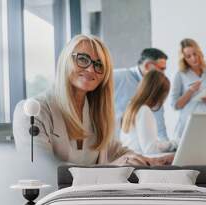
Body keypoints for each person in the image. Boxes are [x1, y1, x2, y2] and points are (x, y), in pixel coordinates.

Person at [13, 34, 173, 166]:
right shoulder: (32, 112)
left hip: (95, 200)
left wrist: (149, 161)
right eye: (82, 59)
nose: (91, 69)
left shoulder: (94, 111)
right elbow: (42, 171)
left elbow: (116, 150)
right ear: (65, 60)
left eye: (99, 65)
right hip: (57, 203)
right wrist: (112, 168)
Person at [114, 48, 169, 140]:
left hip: (140, 149)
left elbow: (160, 125)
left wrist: (171, 148)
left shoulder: (156, 88)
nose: (163, 74)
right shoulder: (117, 77)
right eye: (161, 69)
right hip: (112, 144)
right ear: (148, 66)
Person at [171, 38, 206, 139]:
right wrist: (191, 91)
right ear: (184, 59)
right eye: (188, 56)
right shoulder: (180, 75)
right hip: (188, 125)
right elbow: (175, 105)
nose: (193, 58)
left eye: (195, 54)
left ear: (199, 53)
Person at [120, 70, 177, 154]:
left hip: (132, 159)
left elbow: (147, 143)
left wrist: (170, 144)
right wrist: (171, 149)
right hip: (141, 162)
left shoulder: (131, 107)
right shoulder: (144, 111)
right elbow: (150, 150)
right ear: (157, 94)